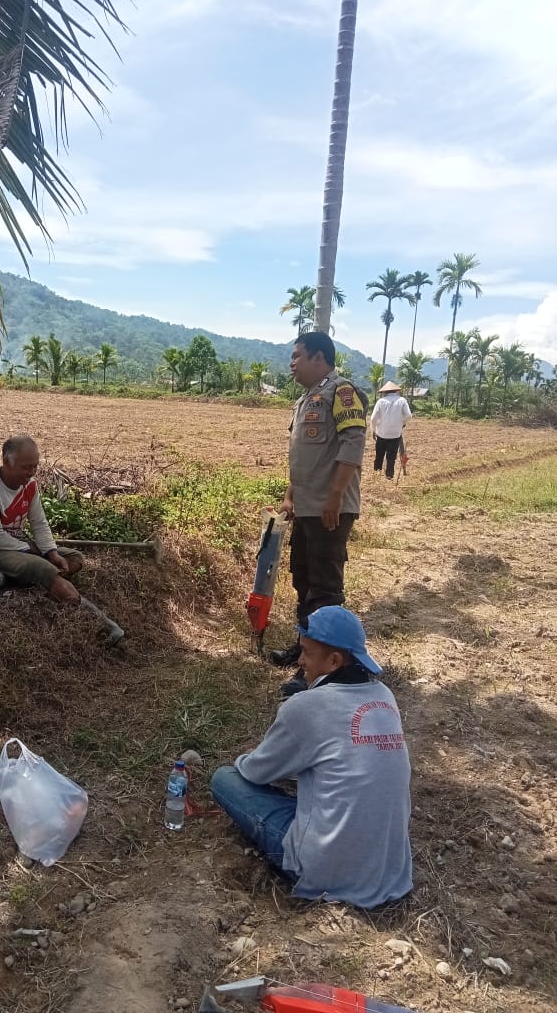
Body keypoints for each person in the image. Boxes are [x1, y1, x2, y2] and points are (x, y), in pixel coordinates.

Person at [212, 606, 413, 909]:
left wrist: (251, 760)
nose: (300, 661)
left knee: (225, 779)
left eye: (307, 653)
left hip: (322, 870)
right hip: (388, 868)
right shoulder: (384, 696)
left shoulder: (306, 706)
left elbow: (255, 771)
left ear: (334, 661)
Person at [270, 332, 368, 696]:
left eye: (297, 355)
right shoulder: (305, 399)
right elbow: (303, 457)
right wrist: (289, 496)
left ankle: (320, 669)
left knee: (324, 589)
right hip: (307, 508)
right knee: (303, 580)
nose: (292, 362)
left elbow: (353, 444)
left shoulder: (342, 393)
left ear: (319, 357)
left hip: (330, 509)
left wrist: (335, 496)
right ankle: (305, 649)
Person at [0, 435, 124, 643]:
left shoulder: (29, 485)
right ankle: (103, 624)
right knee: (43, 567)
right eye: (25, 467)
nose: (31, 472)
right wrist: (33, 551)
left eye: (35, 466)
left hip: (14, 548)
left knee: (74, 558)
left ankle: (5, 578)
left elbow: (39, 523)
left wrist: (51, 552)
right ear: (6, 463)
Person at [370, 380, 412, 480]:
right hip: (395, 434)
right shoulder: (402, 400)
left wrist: (374, 430)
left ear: (384, 392)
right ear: (396, 391)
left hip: (382, 433)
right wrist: (401, 423)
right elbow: (408, 415)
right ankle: (389, 476)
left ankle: (377, 474)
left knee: (379, 455)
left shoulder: (381, 401)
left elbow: (373, 418)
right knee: (391, 457)